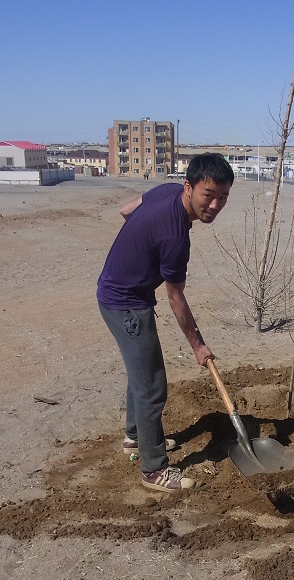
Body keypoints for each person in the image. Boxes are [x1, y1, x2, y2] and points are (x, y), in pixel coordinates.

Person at [97, 153, 235, 493]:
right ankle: (154, 470)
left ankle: (135, 438)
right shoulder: (175, 237)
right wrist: (198, 345)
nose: (215, 205)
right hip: (126, 303)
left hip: (117, 292)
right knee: (152, 386)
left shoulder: (167, 192)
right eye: (208, 195)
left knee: (140, 372)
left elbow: (127, 210)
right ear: (189, 187)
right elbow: (176, 298)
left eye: (223, 197)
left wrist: (140, 247)